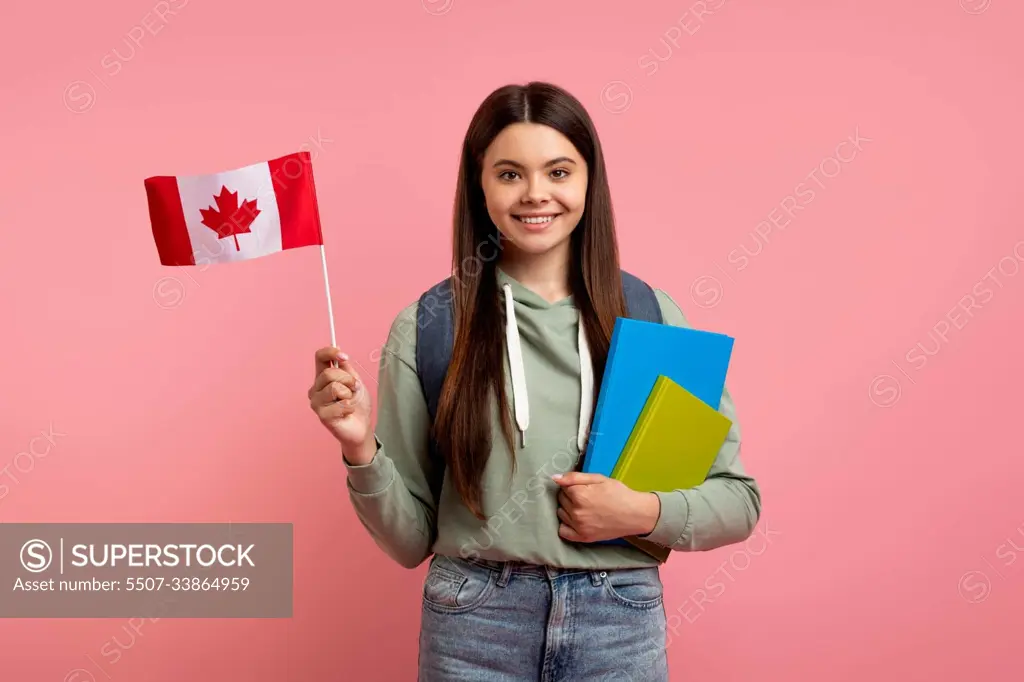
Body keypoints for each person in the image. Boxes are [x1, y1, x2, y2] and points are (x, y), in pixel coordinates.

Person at [308, 81, 761, 681]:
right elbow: (409, 541)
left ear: (589, 181)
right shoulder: (431, 326)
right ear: (480, 184)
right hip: (473, 622)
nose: (536, 194)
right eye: (510, 174)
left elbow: (738, 501)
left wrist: (642, 512)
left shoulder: (650, 316)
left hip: (618, 620)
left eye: (558, 171)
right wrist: (359, 445)